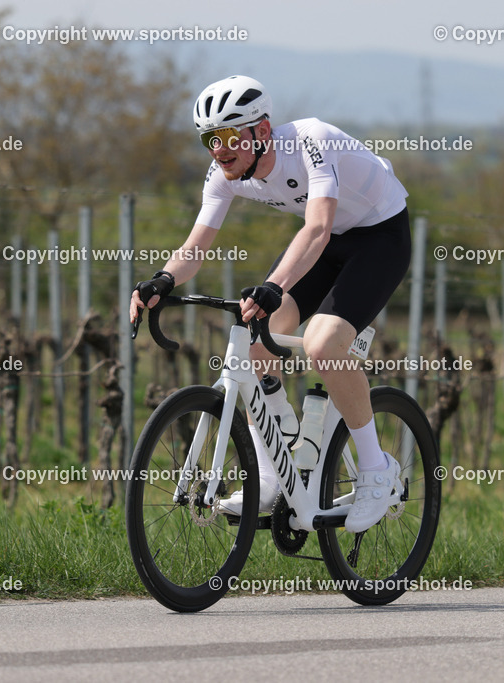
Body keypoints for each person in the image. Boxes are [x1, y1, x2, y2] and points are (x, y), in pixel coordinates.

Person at [130, 75, 411, 533]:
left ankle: (377, 468)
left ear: (261, 132)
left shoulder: (311, 142)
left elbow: (318, 228)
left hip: (379, 237)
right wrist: (161, 280)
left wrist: (275, 284)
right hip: (328, 241)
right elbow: (195, 247)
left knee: (322, 344)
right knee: (255, 335)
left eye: (226, 137)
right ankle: (269, 471)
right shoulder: (224, 175)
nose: (218, 150)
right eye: (208, 140)